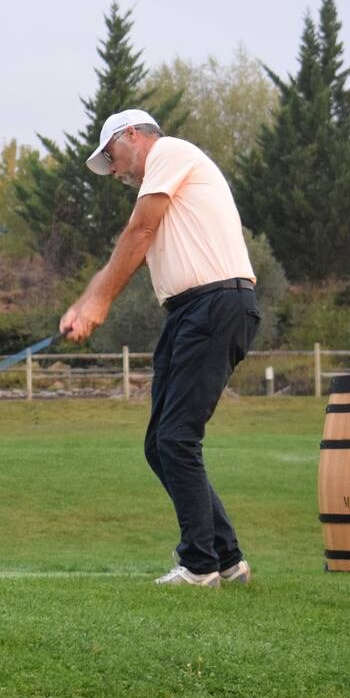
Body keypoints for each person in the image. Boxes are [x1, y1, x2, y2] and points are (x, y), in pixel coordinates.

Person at [59, 109, 260, 588]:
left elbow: (140, 233)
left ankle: (199, 565)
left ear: (134, 135)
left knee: (176, 438)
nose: (116, 172)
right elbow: (129, 247)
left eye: (113, 158)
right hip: (191, 313)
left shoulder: (170, 152)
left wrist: (100, 304)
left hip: (217, 304)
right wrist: (86, 301)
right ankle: (226, 558)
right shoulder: (160, 184)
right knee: (160, 444)